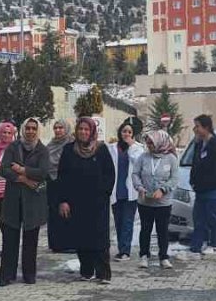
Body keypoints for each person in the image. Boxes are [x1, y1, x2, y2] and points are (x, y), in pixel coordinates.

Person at [56, 117, 115, 283]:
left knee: (100, 238)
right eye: (80, 129)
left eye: (86, 129)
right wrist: (63, 200)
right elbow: (62, 176)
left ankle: (103, 273)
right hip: (76, 202)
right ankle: (86, 271)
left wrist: (104, 193)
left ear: (92, 132)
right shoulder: (69, 150)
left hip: (97, 203)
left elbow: (110, 174)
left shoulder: (101, 150)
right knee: (81, 237)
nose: (83, 132)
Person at [175, 115, 216, 263]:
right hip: (201, 191)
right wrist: (194, 182)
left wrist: (204, 182)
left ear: (206, 128)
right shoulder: (199, 144)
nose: (195, 129)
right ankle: (195, 249)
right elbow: (196, 165)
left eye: (198, 127)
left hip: (214, 190)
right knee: (199, 221)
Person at [0, 117, 51, 285]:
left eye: (33, 128)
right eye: (27, 128)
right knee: (10, 239)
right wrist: (23, 179)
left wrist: (22, 170)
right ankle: (7, 275)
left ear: (37, 131)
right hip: (13, 199)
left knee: (30, 240)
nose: (30, 131)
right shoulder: (13, 147)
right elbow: (4, 169)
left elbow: (43, 172)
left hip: (33, 202)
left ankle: (29, 275)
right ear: (22, 130)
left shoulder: (42, 150)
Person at [132, 130, 179, 269]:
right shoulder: (143, 157)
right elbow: (135, 174)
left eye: (152, 143)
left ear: (160, 142)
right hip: (145, 201)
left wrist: (163, 190)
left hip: (163, 203)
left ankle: (163, 257)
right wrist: (139, 187)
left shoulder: (171, 158)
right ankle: (144, 255)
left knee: (162, 230)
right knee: (145, 229)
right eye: (148, 143)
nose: (149, 146)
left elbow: (174, 178)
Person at [109, 119, 146, 260]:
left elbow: (139, 163)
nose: (126, 134)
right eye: (124, 131)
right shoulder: (112, 147)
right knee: (118, 222)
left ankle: (125, 251)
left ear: (133, 134)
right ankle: (121, 248)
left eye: (129, 132)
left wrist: (131, 146)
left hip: (130, 191)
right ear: (120, 132)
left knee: (127, 221)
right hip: (116, 191)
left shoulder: (138, 148)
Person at [44, 119, 74, 253]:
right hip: (52, 183)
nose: (58, 130)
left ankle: (68, 243)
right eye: (56, 128)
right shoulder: (50, 146)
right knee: (53, 213)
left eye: (61, 128)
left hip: (68, 182)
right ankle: (55, 244)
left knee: (67, 212)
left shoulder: (72, 145)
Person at [0, 120, 17, 246]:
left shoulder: (16, 148)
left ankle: (11, 245)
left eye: (9, 132)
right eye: (3, 132)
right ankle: (7, 244)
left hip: (10, 190)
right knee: (2, 220)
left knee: (10, 221)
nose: (6, 135)